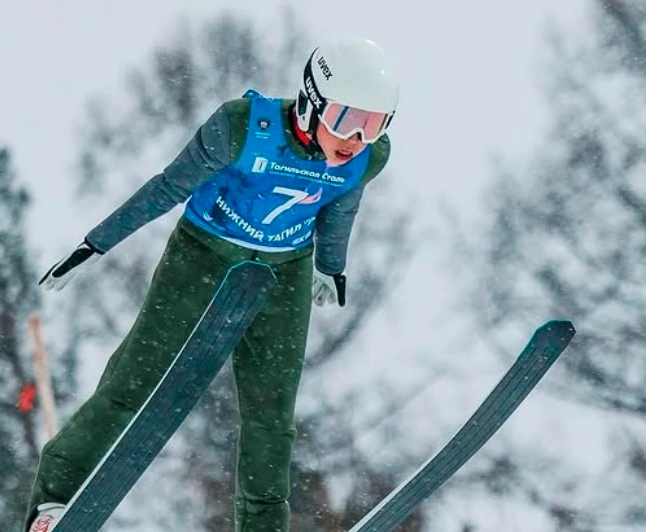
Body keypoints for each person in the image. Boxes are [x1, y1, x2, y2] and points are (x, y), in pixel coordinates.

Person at [24, 37, 399, 532]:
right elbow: (166, 188)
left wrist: (331, 266)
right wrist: (96, 244)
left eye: (374, 125)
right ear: (311, 100)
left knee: (272, 420)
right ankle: (55, 503)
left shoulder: (365, 159)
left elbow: (340, 208)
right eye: (347, 119)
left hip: (281, 273)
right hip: (203, 256)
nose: (356, 138)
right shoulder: (242, 127)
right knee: (133, 381)